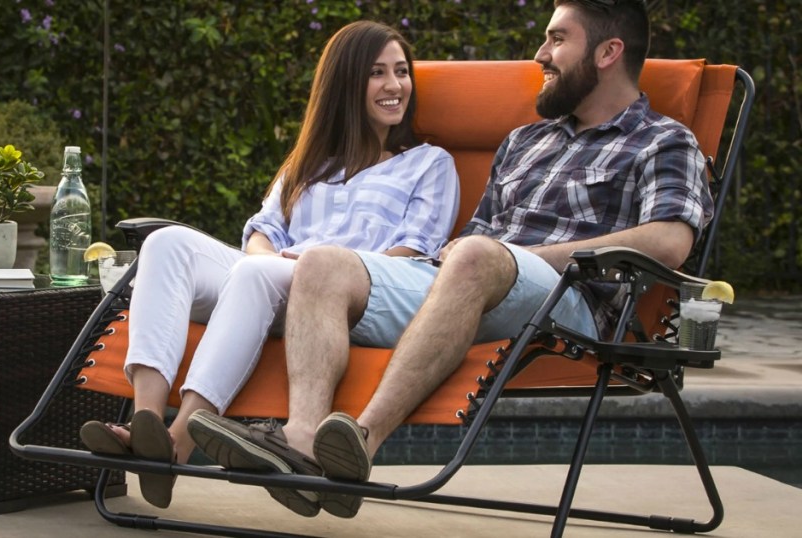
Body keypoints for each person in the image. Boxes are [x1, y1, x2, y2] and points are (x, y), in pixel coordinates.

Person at [187, 0, 714, 519]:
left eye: (557, 39)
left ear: (608, 52)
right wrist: (465, 257)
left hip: (570, 302)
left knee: (477, 256)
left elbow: (670, 241)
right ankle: (302, 439)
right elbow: (476, 238)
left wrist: (516, 257)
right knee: (323, 262)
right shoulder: (525, 141)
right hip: (471, 285)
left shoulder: (663, 142)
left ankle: (360, 446)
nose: (540, 54)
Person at [78, 20, 459, 511]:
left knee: (259, 274)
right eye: (377, 73)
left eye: (401, 72)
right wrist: (267, 261)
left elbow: (412, 254)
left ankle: (180, 439)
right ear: (345, 84)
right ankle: (144, 423)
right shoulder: (307, 163)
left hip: (341, 292)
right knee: (168, 242)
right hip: (268, 277)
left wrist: (309, 267)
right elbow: (263, 232)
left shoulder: (428, 163)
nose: (395, 86)